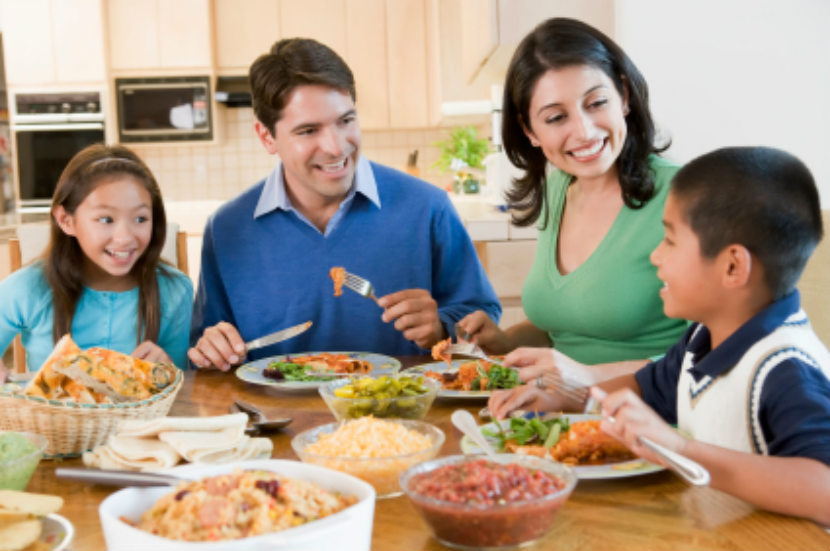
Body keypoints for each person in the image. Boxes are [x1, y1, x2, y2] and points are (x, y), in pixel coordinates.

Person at [492, 146, 830, 524]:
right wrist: (563, 397)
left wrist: (678, 447)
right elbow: (642, 389)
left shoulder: (785, 368)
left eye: (669, 241)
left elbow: (823, 488)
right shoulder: (702, 341)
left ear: (732, 266)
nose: (655, 256)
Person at [188, 38, 500, 370]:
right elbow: (203, 351)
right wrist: (211, 351)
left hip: (400, 416)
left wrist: (441, 328)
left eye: (345, 121)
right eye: (308, 130)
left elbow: (483, 321)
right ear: (267, 137)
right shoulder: (227, 229)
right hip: (273, 418)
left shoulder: (427, 208)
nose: (336, 147)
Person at [456, 18, 688, 378]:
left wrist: (587, 377)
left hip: (652, 421)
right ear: (529, 130)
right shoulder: (558, 188)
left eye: (596, 103)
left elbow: (716, 361)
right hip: (563, 416)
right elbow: (567, 333)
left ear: (624, 96)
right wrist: (503, 341)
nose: (583, 131)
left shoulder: (685, 195)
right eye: (556, 117)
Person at [0, 144, 194, 377]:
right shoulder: (29, 287)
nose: (124, 238)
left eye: (140, 218)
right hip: (51, 415)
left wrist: (168, 369)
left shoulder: (174, 290)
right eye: (105, 219)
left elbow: (181, 388)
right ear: (65, 220)